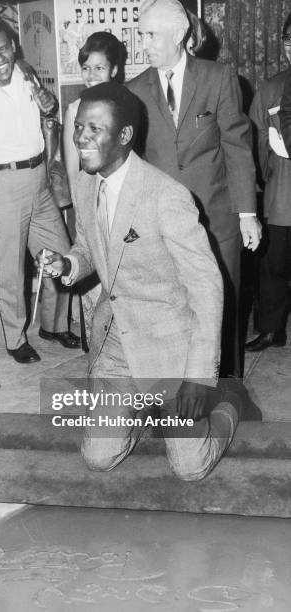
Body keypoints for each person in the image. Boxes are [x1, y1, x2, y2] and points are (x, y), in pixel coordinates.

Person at [37, 82, 240, 480]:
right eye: (79, 127)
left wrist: (198, 380)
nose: (80, 137)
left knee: (190, 467)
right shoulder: (85, 183)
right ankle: (139, 408)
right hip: (116, 343)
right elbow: (90, 247)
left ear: (125, 136)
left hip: (170, 347)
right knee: (98, 457)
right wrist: (67, 265)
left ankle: (228, 403)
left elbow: (207, 289)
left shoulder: (166, 197)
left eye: (94, 129)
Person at [126, 0, 261, 378]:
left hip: (218, 221)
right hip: (163, 226)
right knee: (170, 311)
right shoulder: (134, 91)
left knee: (224, 309)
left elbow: (237, 148)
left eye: (151, 35)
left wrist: (247, 214)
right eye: (142, 36)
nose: (144, 45)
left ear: (180, 35)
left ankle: (229, 391)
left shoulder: (219, 78)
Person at [0, 17, 79, 364]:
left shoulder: (26, 73)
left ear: (13, 45)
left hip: (39, 180)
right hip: (1, 186)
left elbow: (47, 112)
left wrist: (47, 101)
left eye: (3, 49)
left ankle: (53, 326)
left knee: (61, 253)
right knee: (8, 269)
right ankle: (14, 338)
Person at [62, 32, 127, 345]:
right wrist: (84, 216)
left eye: (99, 68)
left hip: (124, 206)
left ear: (114, 70)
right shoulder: (75, 110)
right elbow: (74, 171)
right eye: (86, 67)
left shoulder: (128, 104)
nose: (91, 75)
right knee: (95, 282)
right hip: (91, 205)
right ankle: (99, 354)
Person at [246, 15, 291, 351]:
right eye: (289, 39)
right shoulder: (271, 87)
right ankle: (272, 329)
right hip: (283, 192)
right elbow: (256, 142)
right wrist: (265, 178)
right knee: (272, 264)